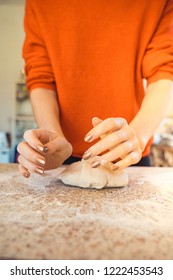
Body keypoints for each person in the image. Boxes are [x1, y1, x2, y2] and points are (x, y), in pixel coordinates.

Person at [17, 0, 173, 178]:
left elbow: (163, 72)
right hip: (62, 157)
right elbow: (40, 78)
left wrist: (136, 136)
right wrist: (52, 139)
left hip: (129, 155)